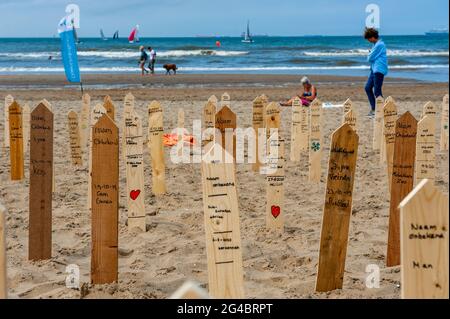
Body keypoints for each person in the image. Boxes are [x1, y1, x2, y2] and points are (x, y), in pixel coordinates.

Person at [364, 27, 388, 117]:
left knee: (377, 91)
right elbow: (371, 57)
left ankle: (380, 111)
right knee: (367, 88)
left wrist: (370, 53)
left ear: (373, 37)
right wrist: (371, 53)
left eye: (369, 38)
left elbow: (369, 58)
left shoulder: (379, 45)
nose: (368, 41)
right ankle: (375, 109)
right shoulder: (375, 45)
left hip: (379, 69)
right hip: (374, 69)